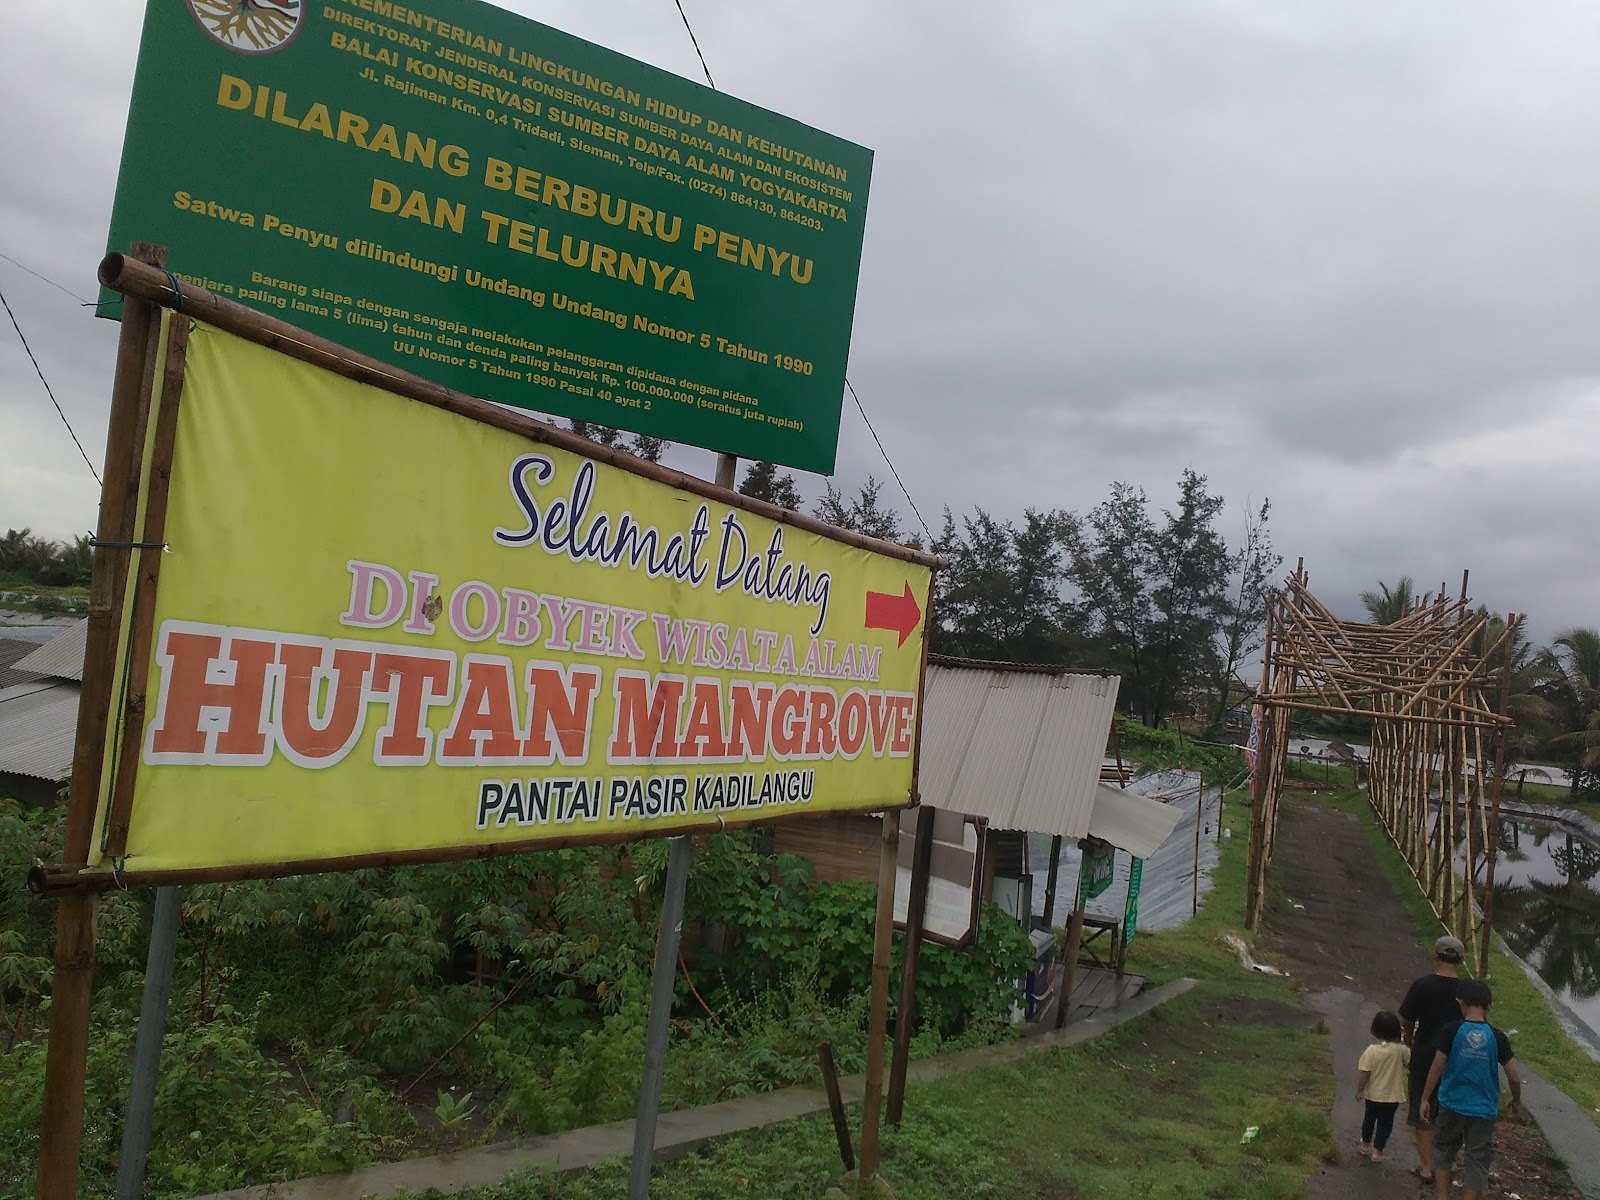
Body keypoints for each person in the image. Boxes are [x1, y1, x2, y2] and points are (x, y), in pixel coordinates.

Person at [1421, 978, 1521, 1200]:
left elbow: (1438, 1065)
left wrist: (1425, 1097)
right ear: (1489, 1007)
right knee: (1477, 1159)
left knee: (1444, 1149)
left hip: (1451, 1103)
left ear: (1460, 1002)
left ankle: (1442, 1196)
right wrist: (1516, 1101)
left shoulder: (1451, 1030)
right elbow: (1513, 1076)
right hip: (1483, 1109)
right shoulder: (1497, 1037)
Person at [1398, 934, 1464, 1183]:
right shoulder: (1466, 990)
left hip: (1425, 1053)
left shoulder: (1422, 985)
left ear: (1436, 955)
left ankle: (1426, 1167)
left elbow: (1407, 1017)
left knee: (1422, 1108)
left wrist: (1408, 1038)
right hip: (1456, 1059)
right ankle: (1445, 1163)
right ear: (1461, 959)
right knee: (1449, 1109)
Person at [1356, 1009, 1409, 1162]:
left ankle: (1365, 1144)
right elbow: (1408, 1060)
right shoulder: (1400, 1050)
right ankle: (1378, 1152)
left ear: (1374, 1029)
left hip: (1373, 1095)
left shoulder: (1371, 1051)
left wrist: (1360, 1090)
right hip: (1393, 1097)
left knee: (1369, 1119)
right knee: (1386, 1124)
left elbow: (1365, 1073)